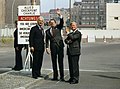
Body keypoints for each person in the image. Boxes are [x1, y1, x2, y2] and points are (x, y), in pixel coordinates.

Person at [45, 9, 64, 81]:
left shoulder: (58, 28)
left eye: (53, 23)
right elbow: (46, 40)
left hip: (59, 46)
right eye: (51, 23)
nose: (52, 24)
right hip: (53, 48)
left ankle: (62, 76)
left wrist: (59, 15)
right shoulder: (47, 31)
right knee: (54, 62)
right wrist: (47, 47)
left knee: (60, 62)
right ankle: (55, 76)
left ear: (56, 23)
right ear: (49, 24)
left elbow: (62, 22)